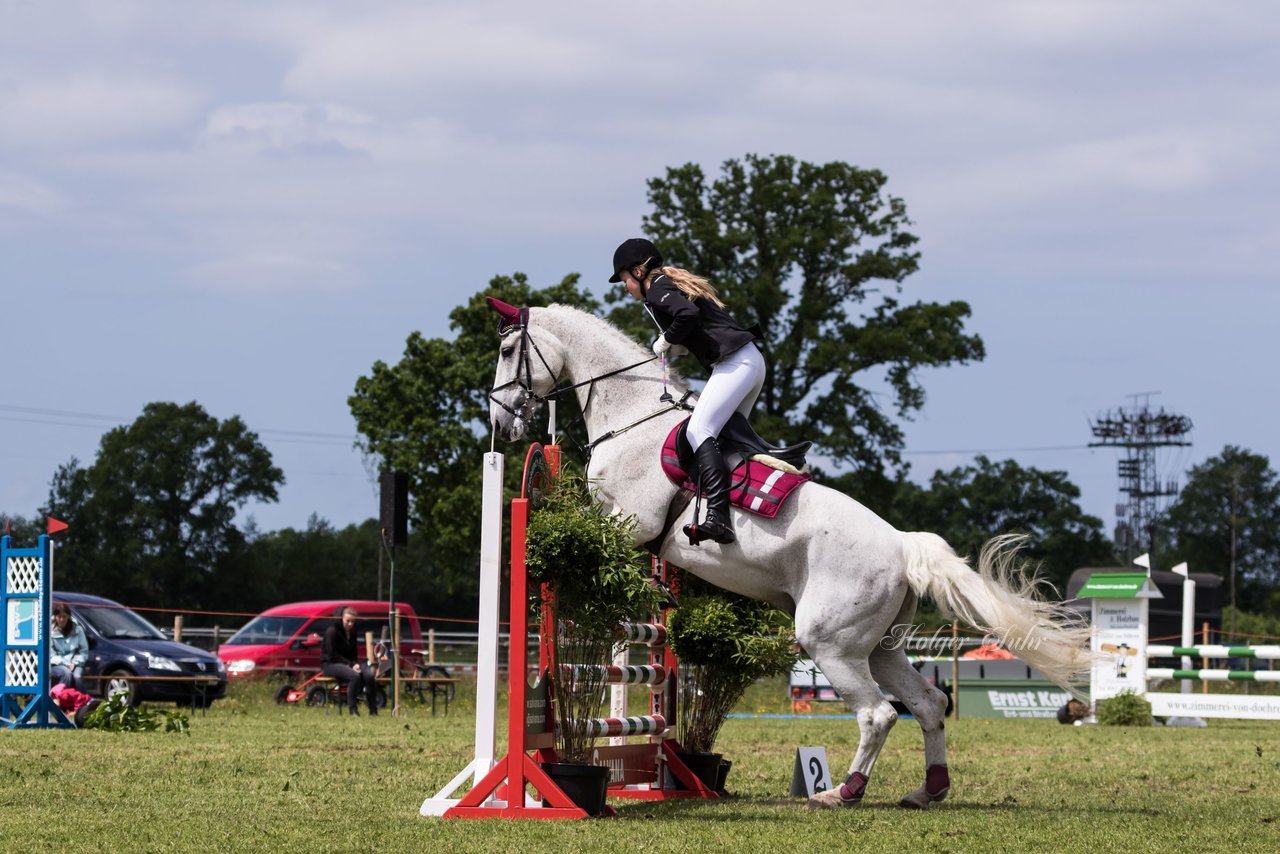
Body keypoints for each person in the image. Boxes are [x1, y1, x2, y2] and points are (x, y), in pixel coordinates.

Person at [610, 237, 765, 545]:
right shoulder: (667, 283)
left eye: (625, 279)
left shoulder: (657, 289)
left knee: (698, 430)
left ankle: (718, 517)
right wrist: (679, 343)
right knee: (728, 440)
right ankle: (746, 507)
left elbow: (687, 316)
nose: (626, 287)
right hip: (749, 361)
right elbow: (695, 321)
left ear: (639, 271)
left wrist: (667, 339)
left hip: (736, 364)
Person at [321, 607, 378, 716]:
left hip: (349, 663)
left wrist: (356, 664)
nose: (350, 624)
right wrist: (351, 665)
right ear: (341, 618)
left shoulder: (352, 633)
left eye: (353, 621)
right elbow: (333, 655)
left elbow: (353, 654)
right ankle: (353, 710)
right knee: (354, 676)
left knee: (369, 675)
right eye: (348, 621)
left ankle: (373, 710)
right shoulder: (331, 632)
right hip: (330, 664)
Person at [49, 602, 88, 690]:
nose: (62, 619)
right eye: (59, 616)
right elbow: (51, 654)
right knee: (66, 673)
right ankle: (59, 698)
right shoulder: (49, 630)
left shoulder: (78, 630)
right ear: (55, 617)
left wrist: (75, 662)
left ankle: (82, 701)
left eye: (64, 616)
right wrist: (66, 664)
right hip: (56, 664)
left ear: (69, 617)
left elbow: (84, 651)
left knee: (77, 677)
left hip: (76, 663)